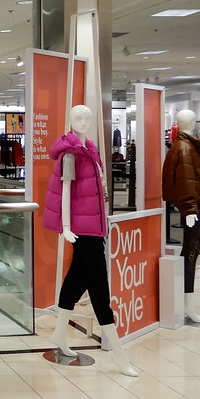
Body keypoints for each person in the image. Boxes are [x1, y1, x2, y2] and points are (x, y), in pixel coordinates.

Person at [42, 104, 138, 377]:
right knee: (100, 290)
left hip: (94, 228)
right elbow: (65, 192)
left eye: (87, 117)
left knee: (75, 282)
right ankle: (121, 357)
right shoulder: (72, 155)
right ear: (70, 121)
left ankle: (59, 336)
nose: (83, 122)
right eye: (77, 118)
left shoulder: (90, 151)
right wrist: (66, 227)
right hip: (82, 231)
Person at [162, 108, 200, 323]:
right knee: (191, 254)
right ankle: (187, 304)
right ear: (190, 122)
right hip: (194, 208)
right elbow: (185, 181)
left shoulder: (185, 145)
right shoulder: (185, 147)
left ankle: (187, 302)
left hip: (194, 207)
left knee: (190, 254)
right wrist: (189, 209)